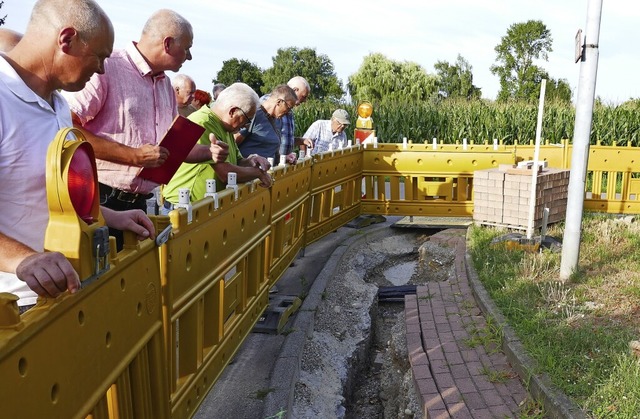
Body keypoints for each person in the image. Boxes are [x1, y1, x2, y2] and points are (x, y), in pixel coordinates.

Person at [0, 0, 155, 312]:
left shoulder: (57, 104)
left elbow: (49, 196)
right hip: (14, 308)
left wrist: (111, 215)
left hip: (63, 295)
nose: (100, 69)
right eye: (99, 57)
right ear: (66, 39)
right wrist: (23, 259)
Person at [65, 9, 229, 249]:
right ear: (168, 43)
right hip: (99, 201)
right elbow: (68, 128)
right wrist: (133, 156)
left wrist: (208, 153)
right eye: (187, 47)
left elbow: (168, 148)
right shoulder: (107, 67)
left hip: (139, 204)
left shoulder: (165, 85)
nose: (190, 56)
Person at [162, 83, 271, 210]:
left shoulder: (226, 127)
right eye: (247, 120)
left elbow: (237, 162)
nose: (246, 126)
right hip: (183, 208)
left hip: (200, 207)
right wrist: (257, 173)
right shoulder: (202, 122)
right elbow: (225, 173)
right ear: (233, 111)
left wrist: (251, 161)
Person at [234, 84, 297, 162]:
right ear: (279, 102)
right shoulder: (254, 115)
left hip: (267, 172)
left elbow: (273, 154)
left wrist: (285, 158)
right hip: (247, 171)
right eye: (289, 108)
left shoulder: (278, 120)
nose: (289, 113)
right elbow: (233, 144)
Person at [278, 76, 314, 161]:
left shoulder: (290, 112)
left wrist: (301, 141)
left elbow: (284, 139)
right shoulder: (269, 104)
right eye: (304, 96)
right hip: (268, 165)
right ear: (294, 90)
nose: (305, 101)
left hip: (283, 165)